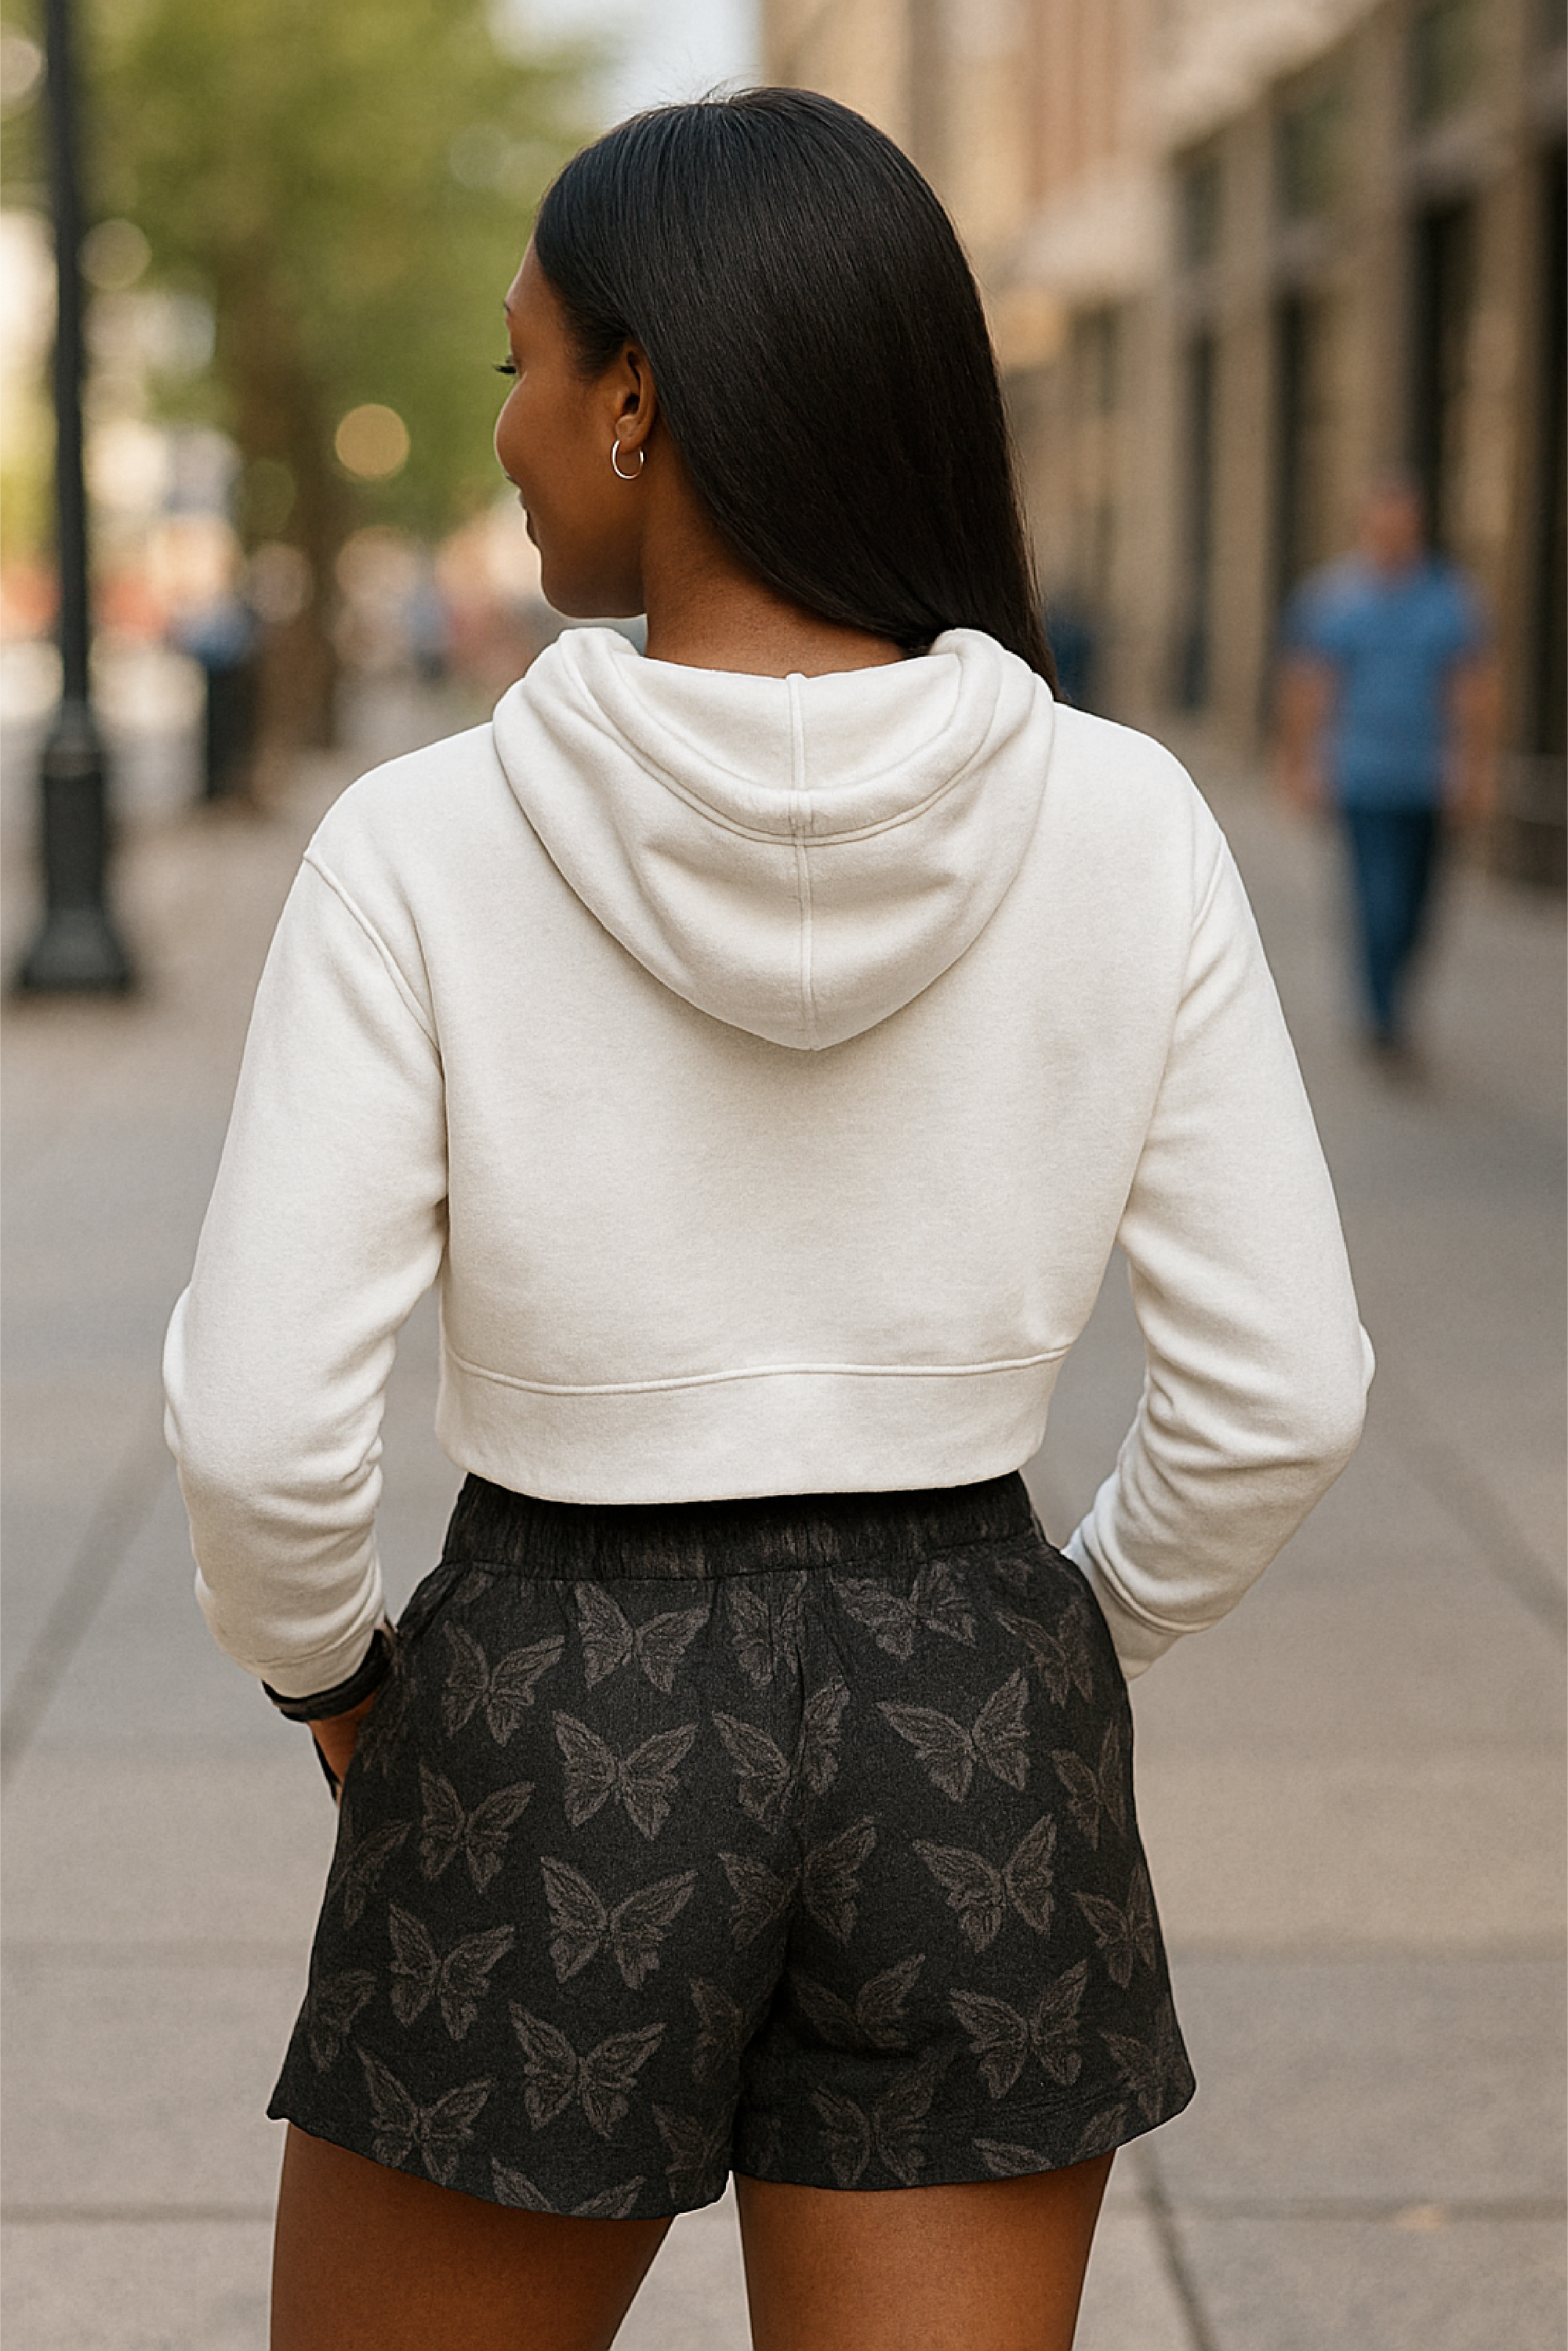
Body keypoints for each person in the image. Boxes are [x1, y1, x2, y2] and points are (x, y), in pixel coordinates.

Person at [163, 91, 1371, 2351]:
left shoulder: (427, 843)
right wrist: (1055, 1640)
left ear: (638, 395)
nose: (504, 426)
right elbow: (1287, 1384)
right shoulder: (1124, 821)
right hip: (969, 1685)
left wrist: (333, 1671)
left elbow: (255, 1433)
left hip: (551, 1692)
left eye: (523, 361)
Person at [1277, 473, 1499, 1063]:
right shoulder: (1334, 599)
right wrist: (1301, 762)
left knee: (1421, 901)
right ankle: (1382, 1016)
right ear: (1366, 525)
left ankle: (1394, 994)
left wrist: (1474, 767)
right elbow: (1309, 686)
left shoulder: (1449, 597)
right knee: (1378, 897)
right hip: (1362, 774)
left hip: (1427, 777)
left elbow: (1471, 688)